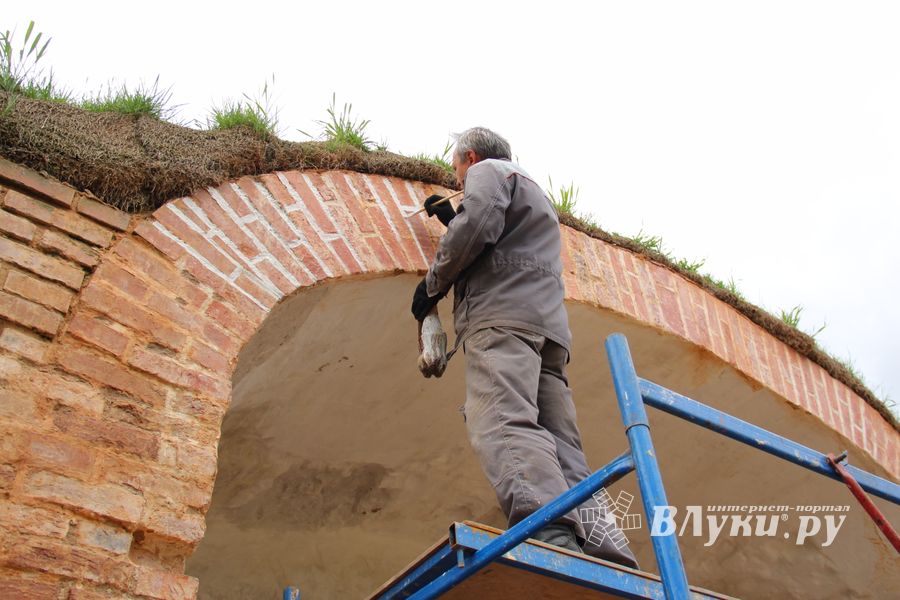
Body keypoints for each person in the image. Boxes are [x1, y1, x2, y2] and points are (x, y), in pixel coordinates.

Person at [410, 127, 638, 569]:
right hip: (547, 333)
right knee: (563, 445)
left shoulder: (489, 170)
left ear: (470, 157)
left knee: (501, 417)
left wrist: (432, 286)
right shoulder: (535, 193)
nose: (459, 183)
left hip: (502, 321)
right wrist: (452, 221)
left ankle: (547, 533)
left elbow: (478, 224)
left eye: (459, 175)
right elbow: (496, 232)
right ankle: (610, 554)